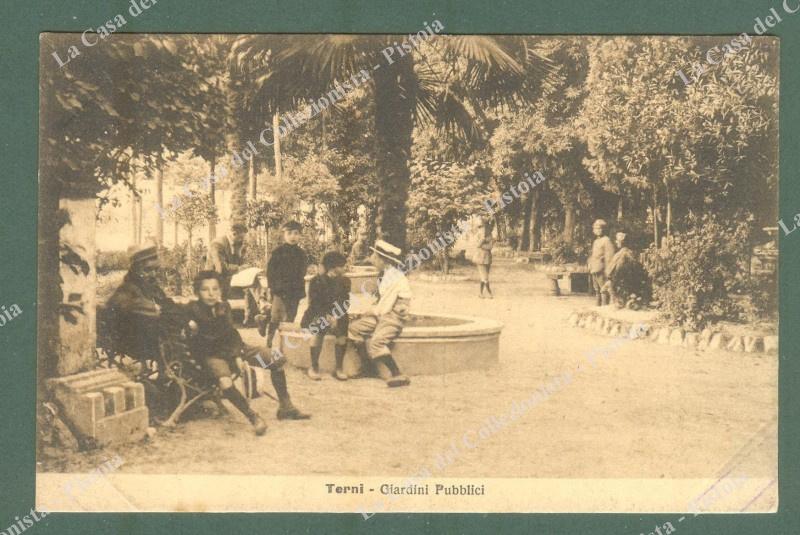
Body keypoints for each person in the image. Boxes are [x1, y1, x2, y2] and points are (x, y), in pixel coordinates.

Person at [186, 271, 309, 433]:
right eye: (205, 289)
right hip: (212, 355)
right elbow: (201, 339)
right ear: (197, 292)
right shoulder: (192, 309)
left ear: (220, 290)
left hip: (234, 349)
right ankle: (253, 417)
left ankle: (286, 406)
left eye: (215, 289)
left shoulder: (224, 306)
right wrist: (190, 326)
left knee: (275, 358)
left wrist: (237, 355)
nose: (211, 294)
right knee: (225, 382)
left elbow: (232, 334)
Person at [347, 240, 411, 387]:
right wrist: (362, 314)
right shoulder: (386, 274)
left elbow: (384, 307)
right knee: (354, 329)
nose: (372, 259)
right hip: (383, 314)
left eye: (375, 257)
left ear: (384, 260)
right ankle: (367, 368)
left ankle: (397, 373)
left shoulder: (395, 277)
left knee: (376, 342)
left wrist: (363, 313)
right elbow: (379, 304)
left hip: (393, 316)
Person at [105, 245, 184, 360]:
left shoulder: (151, 285)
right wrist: (152, 307)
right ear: (135, 269)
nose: (153, 274)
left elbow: (165, 303)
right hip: (134, 340)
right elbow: (119, 303)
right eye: (147, 270)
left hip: (153, 333)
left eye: (155, 270)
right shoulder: (128, 286)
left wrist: (182, 310)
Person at [300, 251, 351, 381]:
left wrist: (336, 316)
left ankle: (339, 368)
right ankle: (314, 367)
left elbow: (345, 302)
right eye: (342, 265)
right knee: (318, 327)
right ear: (333, 267)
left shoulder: (345, 281)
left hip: (336, 315)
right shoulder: (316, 281)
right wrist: (327, 316)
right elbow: (315, 304)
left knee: (343, 329)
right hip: (318, 313)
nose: (345, 268)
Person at [266, 221, 308, 351]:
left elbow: (302, 272)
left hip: (294, 291)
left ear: (300, 235)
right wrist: (272, 288)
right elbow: (270, 272)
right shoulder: (278, 252)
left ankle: (284, 346)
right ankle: (270, 340)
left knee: (290, 317)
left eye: (296, 233)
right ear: (284, 235)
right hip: (280, 290)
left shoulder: (301, 254)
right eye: (289, 233)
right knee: (276, 317)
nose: (293, 236)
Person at [604, 232, 650, 308]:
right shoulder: (624, 253)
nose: (616, 242)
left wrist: (612, 278)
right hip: (621, 279)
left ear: (622, 242)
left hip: (624, 280)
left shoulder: (624, 254)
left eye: (617, 241)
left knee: (611, 286)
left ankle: (620, 302)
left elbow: (619, 268)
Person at [205, 222, 248, 299]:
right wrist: (239, 268)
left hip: (229, 277)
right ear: (234, 234)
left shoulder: (237, 244)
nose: (242, 240)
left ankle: (261, 301)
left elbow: (239, 262)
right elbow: (221, 268)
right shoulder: (217, 244)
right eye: (241, 238)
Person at [588, 219, 616, 306]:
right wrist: (590, 264)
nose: (598, 230)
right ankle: (597, 306)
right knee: (596, 289)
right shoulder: (596, 241)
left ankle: (604, 306)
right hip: (594, 268)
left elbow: (609, 257)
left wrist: (608, 271)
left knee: (603, 289)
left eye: (600, 228)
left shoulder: (606, 240)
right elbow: (593, 255)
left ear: (604, 229)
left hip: (602, 269)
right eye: (595, 228)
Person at [473, 217, 494, 298]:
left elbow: (490, 247)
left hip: (487, 258)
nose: (484, 229)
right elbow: (477, 244)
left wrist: (482, 245)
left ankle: (480, 293)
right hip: (480, 257)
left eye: (486, 226)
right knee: (485, 277)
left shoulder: (490, 235)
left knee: (484, 277)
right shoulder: (478, 234)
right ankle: (489, 293)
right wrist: (482, 240)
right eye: (482, 227)